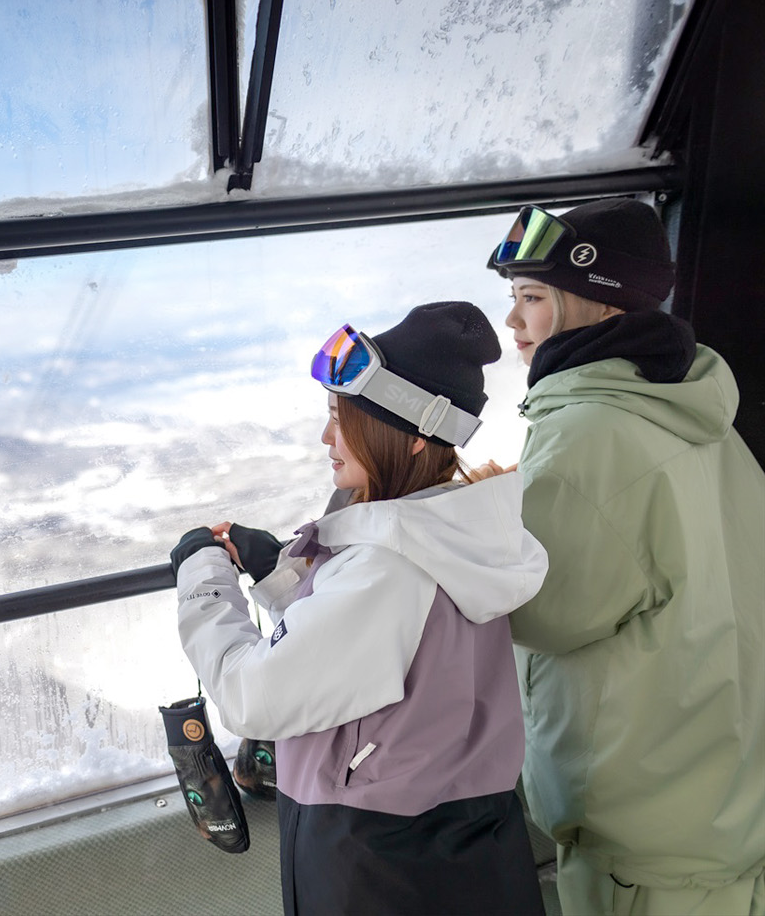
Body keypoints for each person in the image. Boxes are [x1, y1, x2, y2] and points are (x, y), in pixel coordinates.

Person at [170, 302, 549, 915]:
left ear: (411, 433)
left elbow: (251, 696)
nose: (327, 438)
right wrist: (283, 577)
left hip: (376, 866)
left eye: (340, 418)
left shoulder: (390, 569)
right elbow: (392, 647)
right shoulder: (453, 533)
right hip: (460, 848)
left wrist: (201, 577)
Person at [485, 197, 765, 914]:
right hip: (725, 791)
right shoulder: (689, 405)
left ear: (599, 302)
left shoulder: (589, 434)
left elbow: (542, 612)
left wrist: (485, 524)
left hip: (647, 835)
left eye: (532, 298)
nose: (512, 321)